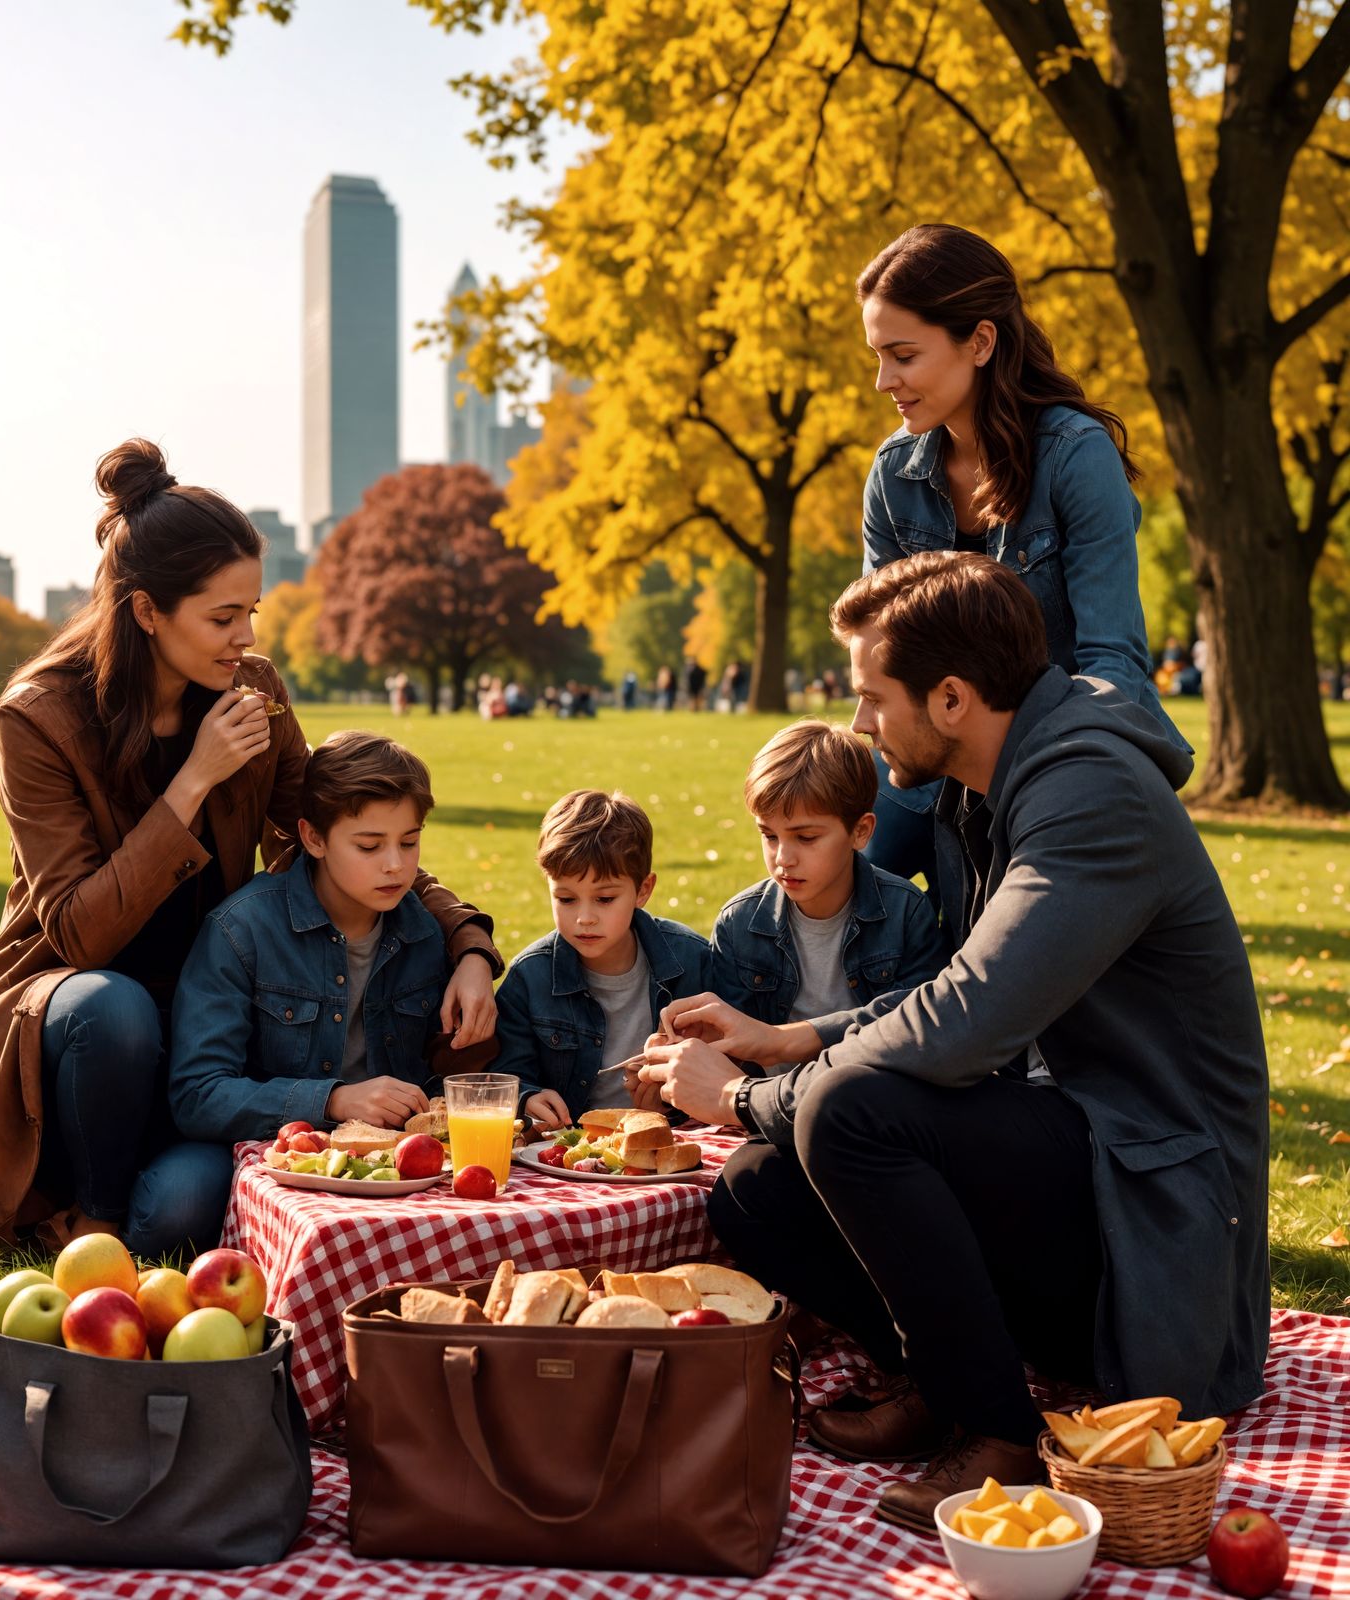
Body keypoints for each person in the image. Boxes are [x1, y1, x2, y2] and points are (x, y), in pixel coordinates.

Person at [639, 552, 1267, 1533]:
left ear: (949, 698)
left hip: (1151, 1216)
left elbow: (964, 1023)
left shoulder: (1088, 793)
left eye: (869, 696)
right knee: (756, 1186)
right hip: (1074, 1160)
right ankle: (939, 1371)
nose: (857, 723)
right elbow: (957, 988)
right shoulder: (995, 788)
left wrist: (739, 1096)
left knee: (845, 1116)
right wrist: (782, 1037)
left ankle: (995, 1429)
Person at [0, 439, 501, 1256]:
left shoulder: (254, 690)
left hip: (214, 1023)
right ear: (145, 612)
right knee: (115, 1006)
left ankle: (153, 1201)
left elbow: (336, 836)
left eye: (252, 613)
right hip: (72, 1018)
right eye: (221, 616)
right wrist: (193, 783)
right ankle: (93, 1228)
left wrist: (467, 940)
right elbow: (77, 933)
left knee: (185, 1209)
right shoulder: (38, 716)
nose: (244, 637)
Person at [855, 224, 1184, 891]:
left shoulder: (1075, 456)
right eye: (878, 357)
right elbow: (874, 648)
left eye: (904, 355)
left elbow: (1112, 664)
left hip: (1066, 753)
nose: (884, 380)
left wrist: (1040, 786)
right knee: (827, 876)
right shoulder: (895, 474)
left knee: (999, 947)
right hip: (934, 759)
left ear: (979, 341)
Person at [170, 732, 468, 1140]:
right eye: (369, 846)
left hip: (387, 1153)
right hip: (263, 1143)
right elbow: (198, 1096)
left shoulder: (424, 933)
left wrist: (476, 960)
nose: (396, 866)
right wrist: (332, 1101)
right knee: (181, 1194)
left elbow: (434, 1081)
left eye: (410, 841)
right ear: (314, 838)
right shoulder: (242, 930)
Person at [705, 721, 944, 1044]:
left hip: (871, 1088)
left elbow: (916, 1029)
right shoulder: (738, 924)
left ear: (860, 831)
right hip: (761, 1091)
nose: (783, 858)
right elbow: (731, 1046)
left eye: (805, 837)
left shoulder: (906, 913)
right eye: (769, 836)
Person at [492, 790, 710, 1130]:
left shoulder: (691, 960)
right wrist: (527, 1097)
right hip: (567, 1151)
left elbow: (724, 1070)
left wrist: (670, 1100)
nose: (584, 918)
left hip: (670, 1139)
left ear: (643, 890)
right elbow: (505, 1074)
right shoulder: (530, 976)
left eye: (605, 898)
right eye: (565, 898)